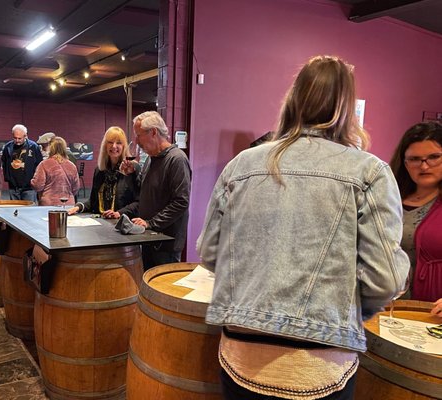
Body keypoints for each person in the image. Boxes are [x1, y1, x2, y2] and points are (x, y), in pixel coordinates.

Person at [196, 55, 409, 400]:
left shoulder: (240, 166)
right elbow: (384, 279)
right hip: (319, 361)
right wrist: (350, 308)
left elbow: (208, 254)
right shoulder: (368, 171)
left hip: (240, 352)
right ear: (346, 107)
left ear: (292, 99)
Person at [120, 111, 191, 270]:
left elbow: (181, 202)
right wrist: (131, 175)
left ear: (153, 132)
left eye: (138, 135)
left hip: (166, 243)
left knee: (163, 291)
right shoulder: (150, 160)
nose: (136, 141)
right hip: (149, 237)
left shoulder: (177, 159)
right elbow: (141, 194)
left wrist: (151, 223)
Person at [389, 122, 442, 302]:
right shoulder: (387, 198)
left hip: (432, 314)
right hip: (382, 310)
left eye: (434, 157)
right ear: (404, 162)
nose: (424, 166)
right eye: (414, 159)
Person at [68, 126, 139, 217]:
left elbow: (139, 202)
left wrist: (119, 213)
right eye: (110, 142)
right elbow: (93, 201)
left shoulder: (132, 168)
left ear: (124, 146)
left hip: (123, 223)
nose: (114, 146)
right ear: (105, 145)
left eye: (119, 143)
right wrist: (78, 207)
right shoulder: (99, 170)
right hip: (102, 223)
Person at [31, 136, 80, 206]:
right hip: (68, 204)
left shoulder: (44, 164)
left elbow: (38, 186)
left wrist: (32, 181)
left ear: (50, 148)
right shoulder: (72, 166)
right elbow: (75, 188)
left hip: (48, 205)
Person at [1, 124, 43, 202]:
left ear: (25, 136)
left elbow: (40, 165)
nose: (17, 141)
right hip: (13, 187)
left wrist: (35, 181)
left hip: (29, 187)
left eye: (19, 138)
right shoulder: (8, 147)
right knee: (15, 211)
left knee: (29, 212)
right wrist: (8, 178)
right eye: (15, 138)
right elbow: (4, 163)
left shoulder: (33, 147)